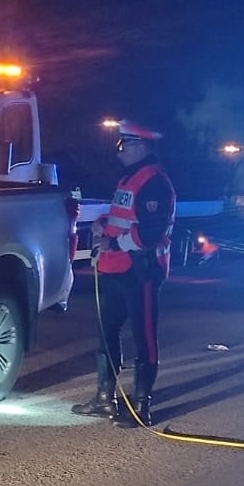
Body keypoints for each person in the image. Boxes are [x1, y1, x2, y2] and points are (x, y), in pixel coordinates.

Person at [71, 119, 176, 428]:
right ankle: (106, 399)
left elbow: (151, 233)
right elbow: (122, 215)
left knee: (144, 336)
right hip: (115, 267)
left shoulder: (155, 182)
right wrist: (104, 222)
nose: (119, 151)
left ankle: (142, 406)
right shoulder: (129, 178)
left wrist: (113, 241)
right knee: (106, 332)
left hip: (141, 270)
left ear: (142, 147)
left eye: (124, 145)